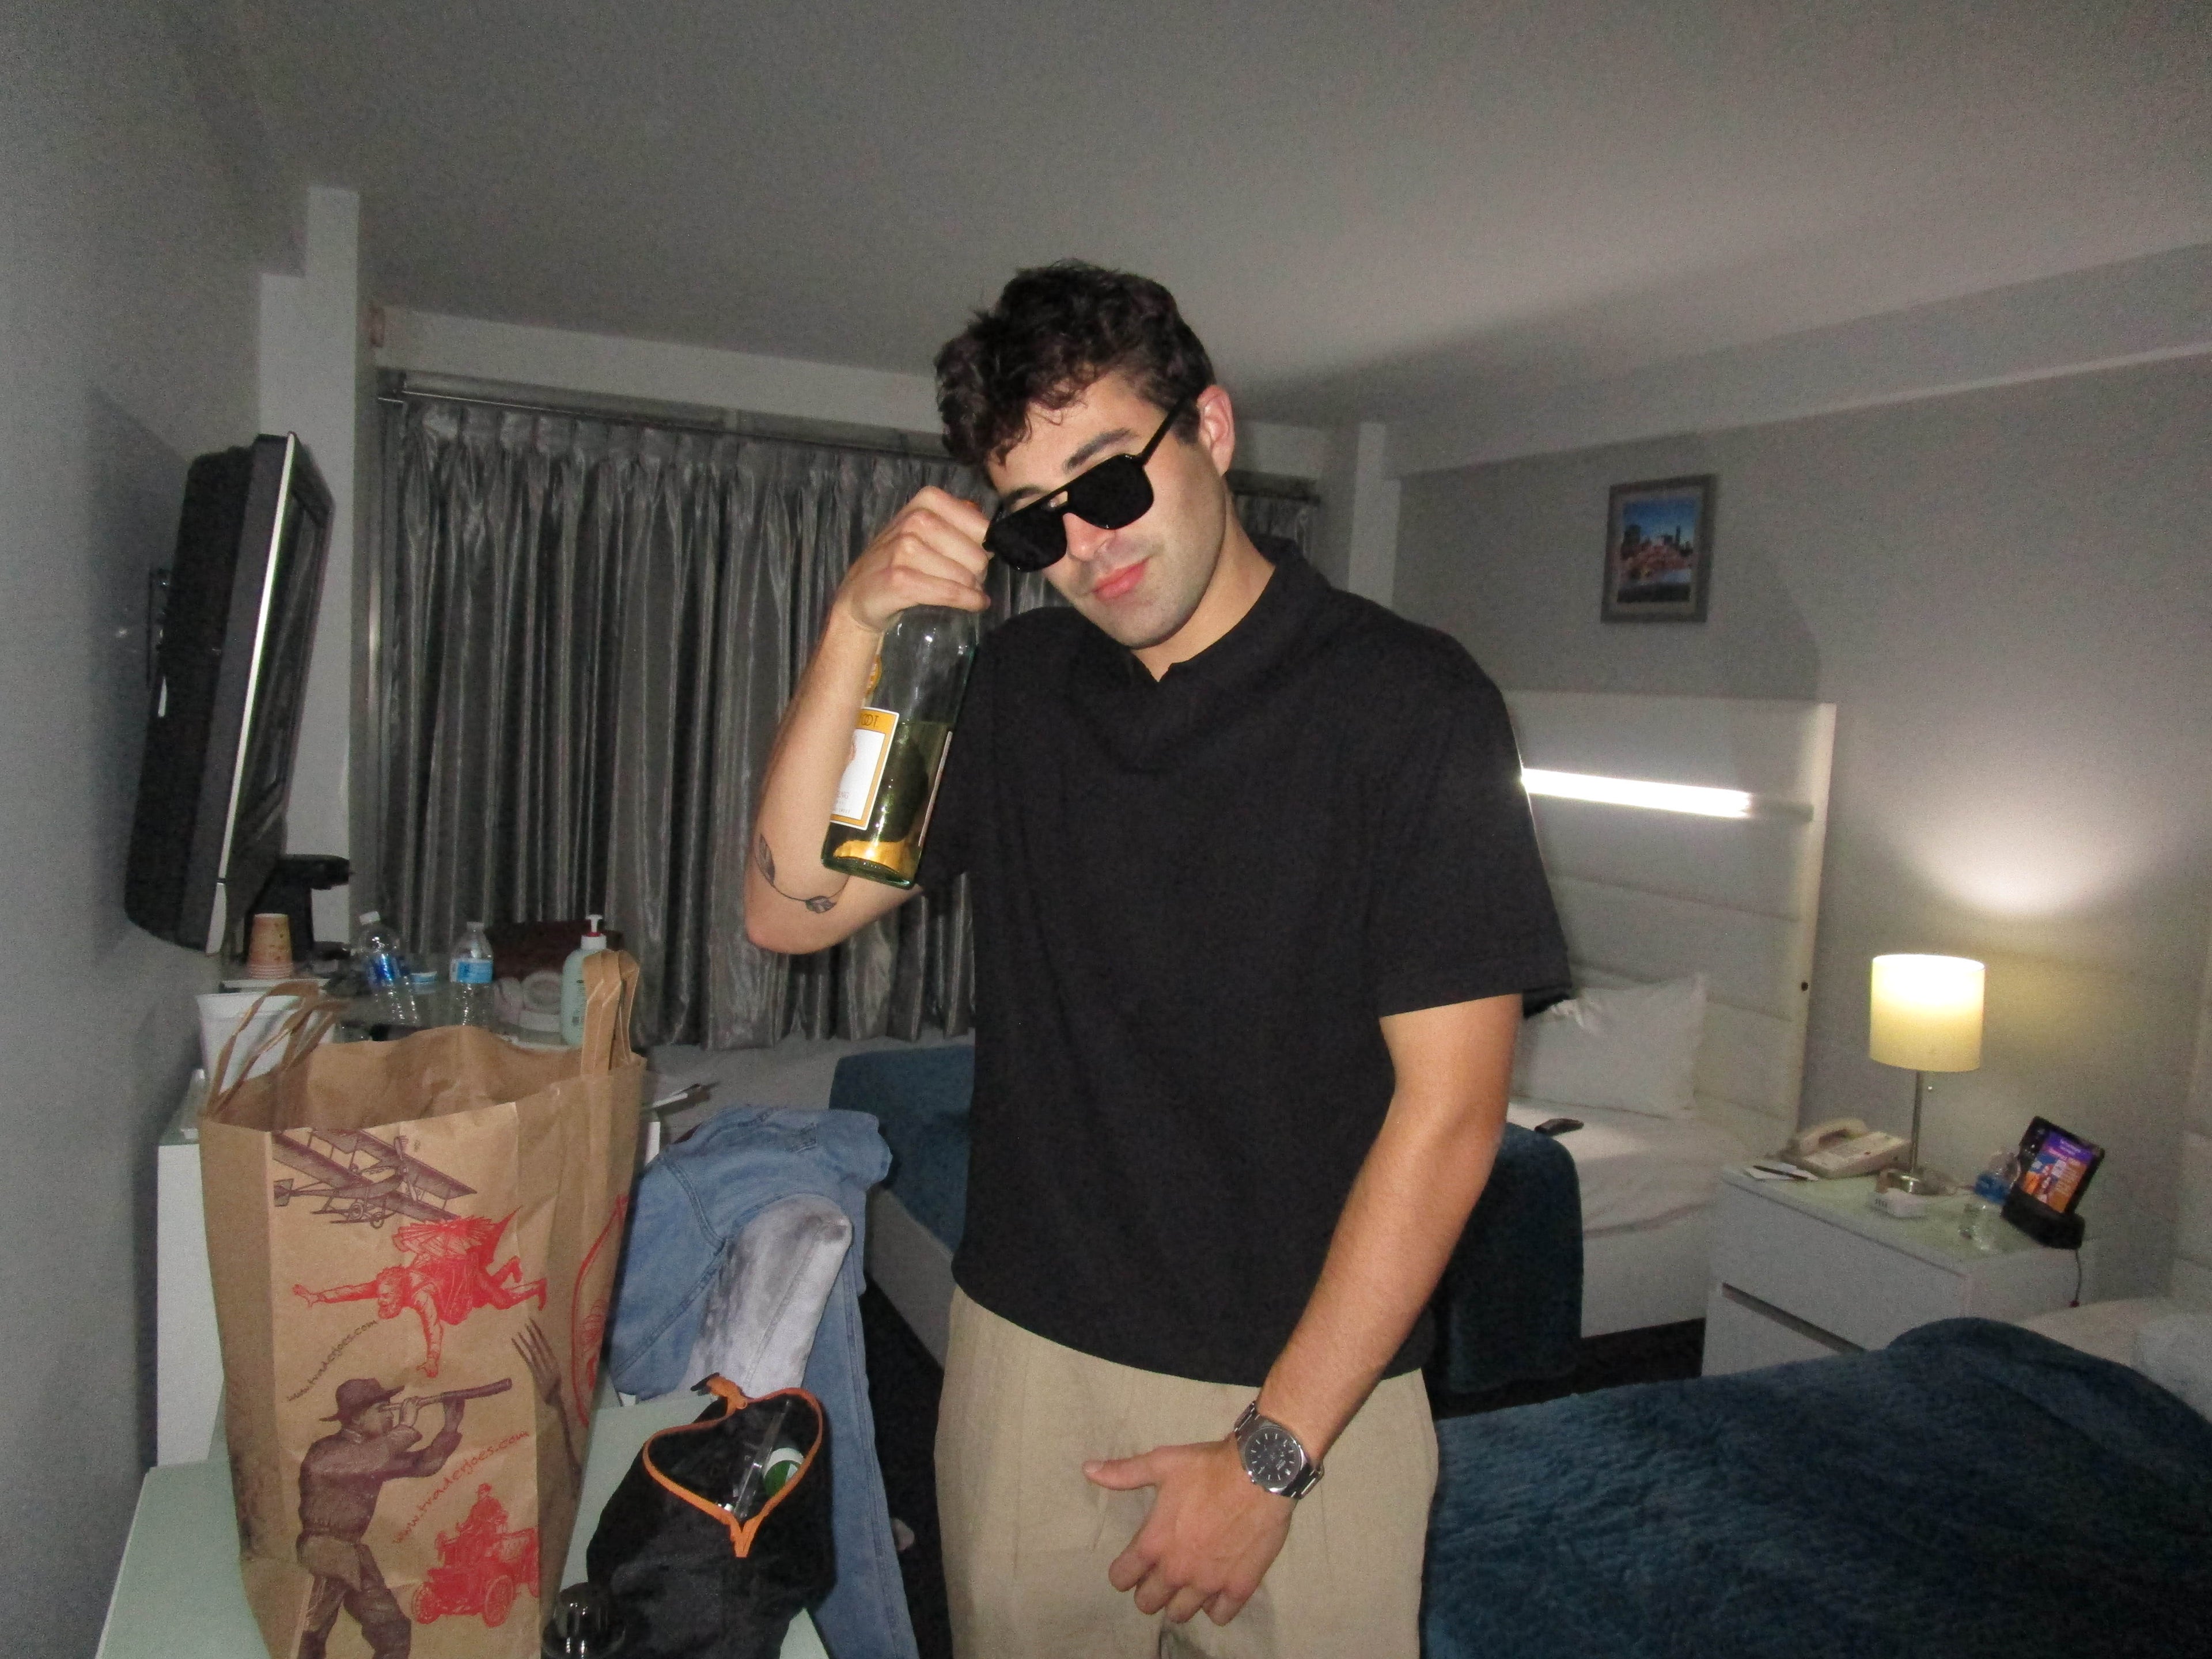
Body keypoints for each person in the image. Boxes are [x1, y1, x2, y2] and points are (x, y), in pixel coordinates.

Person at [746, 262, 1569, 1658]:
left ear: (1213, 430)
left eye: (1110, 479)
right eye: (1036, 521)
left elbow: (1452, 1113)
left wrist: (1269, 1457)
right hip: (1026, 1361)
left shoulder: (1411, 704)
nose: (1085, 543)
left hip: (1310, 1391)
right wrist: (853, 626)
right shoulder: (1007, 691)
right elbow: (791, 906)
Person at [294, 1377, 470, 1659]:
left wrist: (450, 1428)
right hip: (324, 1554)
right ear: (356, 1418)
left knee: (394, 1634)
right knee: (307, 1641)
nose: (391, 1416)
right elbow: (366, 1459)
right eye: (383, 1410)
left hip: (352, 1554)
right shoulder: (328, 1451)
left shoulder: (374, 1451)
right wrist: (406, 1426)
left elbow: (423, 1465)